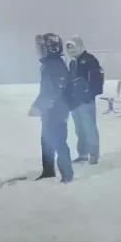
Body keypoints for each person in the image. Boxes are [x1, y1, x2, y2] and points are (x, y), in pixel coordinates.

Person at [32, 33, 75, 182]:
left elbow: (55, 89)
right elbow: (47, 90)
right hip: (51, 110)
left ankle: (67, 174)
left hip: (57, 110)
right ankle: (48, 170)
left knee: (58, 140)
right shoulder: (49, 64)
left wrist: (39, 105)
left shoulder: (54, 65)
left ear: (49, 49)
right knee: (47, 140)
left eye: (41, 47)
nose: (38, 50)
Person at [66, 35, 103, 165]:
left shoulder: (89, 60)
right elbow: (70, 83)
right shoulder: (72, 63)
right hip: (75, 103)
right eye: (68, 48)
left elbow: (97, 80)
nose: (71, 50)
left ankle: (93, 155)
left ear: (79, 46)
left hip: (86, 103)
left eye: (72, 47)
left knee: (89, 129)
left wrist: (90, 95)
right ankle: (82, 154)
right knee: (79, 130)